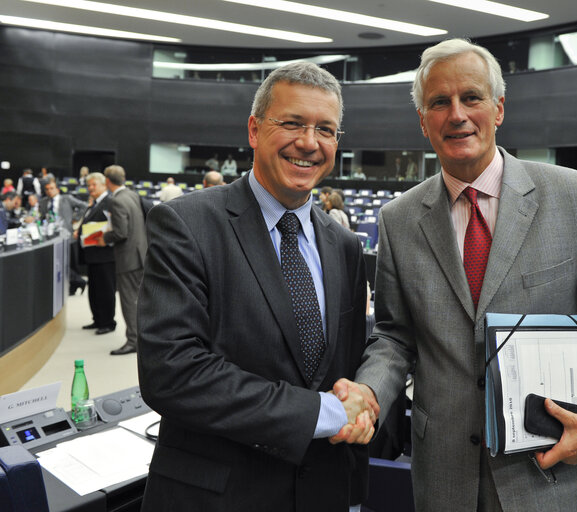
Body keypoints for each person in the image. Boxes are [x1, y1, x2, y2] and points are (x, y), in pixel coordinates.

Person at [335, 39, 577, 511]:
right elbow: (394, 336)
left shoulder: (573, 196)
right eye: (439, 103)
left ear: (499, 108)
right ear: (423, 122)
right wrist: (369, 390)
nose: (457, 114)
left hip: (548, 467)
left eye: (472, 97)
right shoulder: (399, 219)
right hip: (443, 472)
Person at [137, 61, 374, 511]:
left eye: (325, 129)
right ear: (254, 129)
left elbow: (346, 366)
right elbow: (172, 371)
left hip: (321, 493)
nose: (309, 142)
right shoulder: (186, 225)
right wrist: (323, 413)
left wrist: (364, 407)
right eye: (292, 123)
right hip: (217, 497)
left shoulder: (343, 245)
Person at [94, 165, 148, 356]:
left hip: (127, 258)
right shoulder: (132, 195)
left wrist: (104, 238)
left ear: (108, 181)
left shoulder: (116, 201)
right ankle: (141, 338)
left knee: (128, 302)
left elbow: (121, 232)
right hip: (141, 254)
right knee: (140, 301)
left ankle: (133, 341)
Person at [77, 173, 116, 335]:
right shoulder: (94, 203)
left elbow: (114, 226)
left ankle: (107, 322)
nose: (90, 188)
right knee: (94, 290)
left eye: (94, 185)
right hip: (93, 254)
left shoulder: (110, 202)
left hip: (105, 254)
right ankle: (98, 319)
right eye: (89, 185)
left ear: (103, 185)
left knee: (105, 290)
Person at [41, 179, 89, 295]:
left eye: (52, 188)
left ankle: (76, 284)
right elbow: (42, 217)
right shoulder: (43, 202)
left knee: (72, 263)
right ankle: (74, 282)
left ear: (57, 189)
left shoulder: (66, 198)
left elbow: (84, 206)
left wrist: (76, 218)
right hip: (51, 236)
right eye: (47, 189)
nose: (49, 191)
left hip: (68, 235)